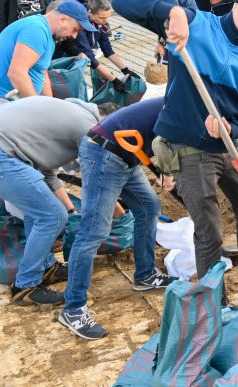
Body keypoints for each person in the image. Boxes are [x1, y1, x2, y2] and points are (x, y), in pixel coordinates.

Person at [113, 0, 238, 307]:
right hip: (188, 147)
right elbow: (120, 2)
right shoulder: (196, 26)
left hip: (225, 147)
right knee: (209, 230)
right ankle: (214, 306)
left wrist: (235, 127)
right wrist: (173, 13)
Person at [0, 96, 102, 306]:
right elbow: (100, 177)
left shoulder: (66, 115)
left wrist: (71, 211)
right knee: (51, 216)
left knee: (41, 210)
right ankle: (25, 285)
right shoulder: (88, 126)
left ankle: (46, 266)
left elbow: (49, 176)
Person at [61, 98, 175, 339]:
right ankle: (73, 308)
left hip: (126, 155)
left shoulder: (189, 103)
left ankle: (145, 275)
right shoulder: (189, 106)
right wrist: (169, 173)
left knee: (148, 206)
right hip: (104, 152)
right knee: (94, 230)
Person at [0, 0, 89, 115]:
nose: (74, 36)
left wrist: (50, 108)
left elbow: (42, 72)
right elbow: (16, 73)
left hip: (4, 101)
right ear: (63, 19)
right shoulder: (36, 29)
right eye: (75, 29)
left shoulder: (47, 34)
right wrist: (38, 110)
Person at [55, 0, 138, 88]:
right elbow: (88, 56)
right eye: (102, 18)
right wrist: (113, 79)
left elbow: (107, 49)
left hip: (77, 61)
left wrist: (125, 69)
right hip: (60, 61)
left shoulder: (100, 23)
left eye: (107, 17)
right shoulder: (80, 24)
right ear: (90, 12)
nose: (106, 21)